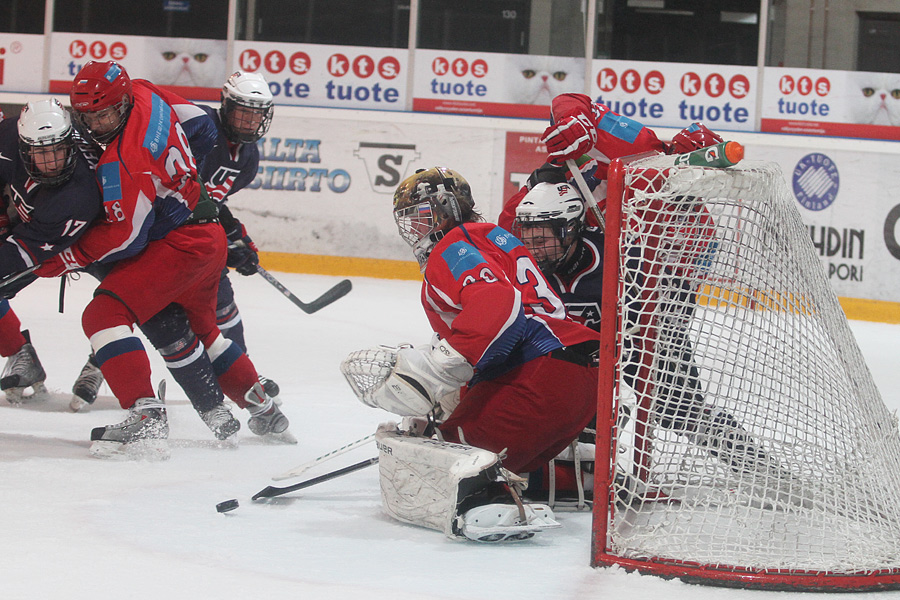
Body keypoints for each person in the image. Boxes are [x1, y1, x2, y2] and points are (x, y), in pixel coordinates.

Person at [35, 60, 290, 457]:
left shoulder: (121, 159)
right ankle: (263, 406)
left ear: (119, 104)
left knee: (102, 315)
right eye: (88, 116)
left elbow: (126, 235)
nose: (96, 124)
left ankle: (145, 414)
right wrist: (184, 184)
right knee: (206, 329)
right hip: (208, 238)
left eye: (103, 114)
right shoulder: (144, 91)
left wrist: (63, 259)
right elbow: (202, 130)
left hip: (181, 245)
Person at [342, 167, 602, 541]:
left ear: (447, 208)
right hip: (574, 373)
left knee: (448, 461)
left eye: (422, 214)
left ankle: (488, 507)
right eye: (409, 219)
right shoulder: (491, 238)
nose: (414, 228)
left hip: (540, 370)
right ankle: (581, 477)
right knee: (477, 451)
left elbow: (499, 306)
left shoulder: (454, 245)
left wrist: (435, 370)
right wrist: (449, 401)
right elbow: (499, 326)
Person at [0, 99, 105, 402]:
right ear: (23, 145)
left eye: (57, 150)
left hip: (101, 238)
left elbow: (22, 251)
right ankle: (21, 355)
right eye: (40, 152)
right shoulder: (8, 137)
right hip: (40, 225)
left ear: (69, 142)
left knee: (125, 300)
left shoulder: (76, 194)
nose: (51, 162)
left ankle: (103, 362)